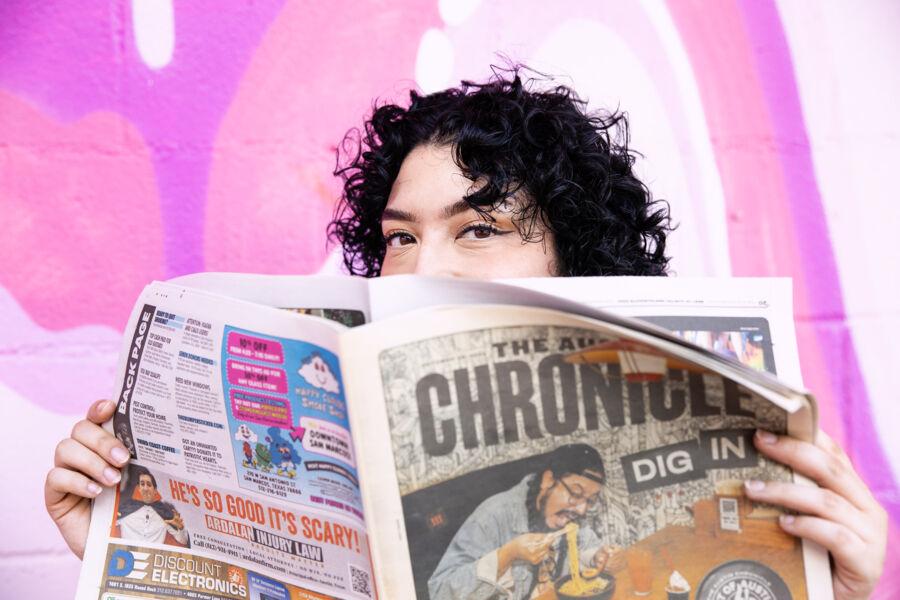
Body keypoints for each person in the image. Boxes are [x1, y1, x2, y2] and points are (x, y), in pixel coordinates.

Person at [45, 67, 886, 599]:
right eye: (400, 236)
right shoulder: (489, 517)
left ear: (575, 259)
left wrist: (836, 593)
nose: (419, 269)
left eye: (479, 228)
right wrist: (113, 554)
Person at [428, 445, 622, 600]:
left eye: (590, 500)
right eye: (576, 493)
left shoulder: (569, 517)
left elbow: (585, 547)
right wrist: (506, 555)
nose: (581, 509)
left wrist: (595, 557)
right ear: (548, 480)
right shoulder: (494, 515)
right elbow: (439, 592)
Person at [113, 465, 190, 547]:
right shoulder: (125, 509)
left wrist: (181, 527)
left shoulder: (164, 513)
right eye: (142, 484)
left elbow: (183, 541)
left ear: (155, 490)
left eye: (149, 485)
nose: (145, 488)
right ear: (138, 488)